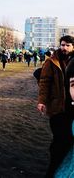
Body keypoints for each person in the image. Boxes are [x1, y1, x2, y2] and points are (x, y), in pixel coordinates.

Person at [37, 35, 74, 177]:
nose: (64, 48)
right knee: (58, 141)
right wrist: (42, 101)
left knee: (69, 140)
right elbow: (44, 82)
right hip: (57, 107)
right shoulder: (52, 61)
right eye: (62, 45)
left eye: (67, 45)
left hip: (72, 108)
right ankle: (54, 169)